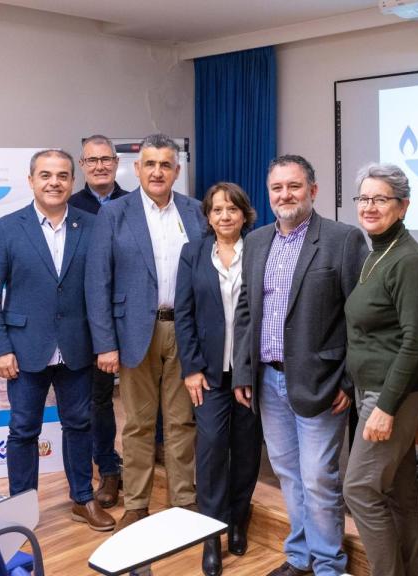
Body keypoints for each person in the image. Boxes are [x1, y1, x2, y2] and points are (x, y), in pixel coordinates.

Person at [232, 155, 368, 576]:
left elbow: (360, 318)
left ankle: (328, 565)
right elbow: (245, 309)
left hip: (321, 382)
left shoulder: (343, 240)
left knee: (318, 478)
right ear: (268, 194)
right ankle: (300, 556)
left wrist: (348, 379)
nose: (285, 195)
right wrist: (243, 371)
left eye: (294, 186)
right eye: (277, 188)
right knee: (288, 474)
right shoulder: (256, 241)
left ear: (313, 190)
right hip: (267, 379)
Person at [0, 149, 115, 531]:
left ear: (73, 181)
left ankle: (82, 499)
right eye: (46, 175)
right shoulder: (6, 228)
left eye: (62, 176)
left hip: (77, 347)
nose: (54, 182)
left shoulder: (93, 226)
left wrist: (104, 341)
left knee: (79, 425)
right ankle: (21, 508)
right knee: (23, 429)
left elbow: (101, 288)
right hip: (23, 350)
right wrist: (0, 349)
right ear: (31, 180)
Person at [85, 133, 207, 531]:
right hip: (134, 332)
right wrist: (105, 343)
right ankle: (137, 504)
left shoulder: (195, 212)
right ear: (137, 169)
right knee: (138, 423)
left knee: (182, 421)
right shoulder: (114, 214)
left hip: (184, 330)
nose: (157, 172)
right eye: (150, 164)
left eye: (165, 165)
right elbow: (98, 282)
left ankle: (183, 500)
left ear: (177, 170)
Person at [343, 163, 418, 576]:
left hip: (393, 394)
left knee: (360, 490)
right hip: (372, 389)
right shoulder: (377, 252)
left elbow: (415, 342)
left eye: (380, 199)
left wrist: (386, 406)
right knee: (399, 493)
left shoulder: (408, 260)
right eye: (364, 198)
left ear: (403, 206)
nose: (369, 206)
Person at [175, 182, 263, 576]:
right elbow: (184, 314)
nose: (224, 216)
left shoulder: (260, 251)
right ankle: (211, 534)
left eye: (232, 209)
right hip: (209, 374)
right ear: (207, 217)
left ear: (244, 214)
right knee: (210, 451)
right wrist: (191, 368)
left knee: (246, 451)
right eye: (216, 210)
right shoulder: (192, 253)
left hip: (250, 373)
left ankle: (239, 519)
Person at [68, 134, 128, 509]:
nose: (100, 166)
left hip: (132, 318)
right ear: (82, 165)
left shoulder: (134, 204)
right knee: (98, 399)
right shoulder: (70, 206)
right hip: (87, 322)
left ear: (117, 163)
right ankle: (108, 468)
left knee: (148, 399)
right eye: (92, 160)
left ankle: (154, 455)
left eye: (106, 159)